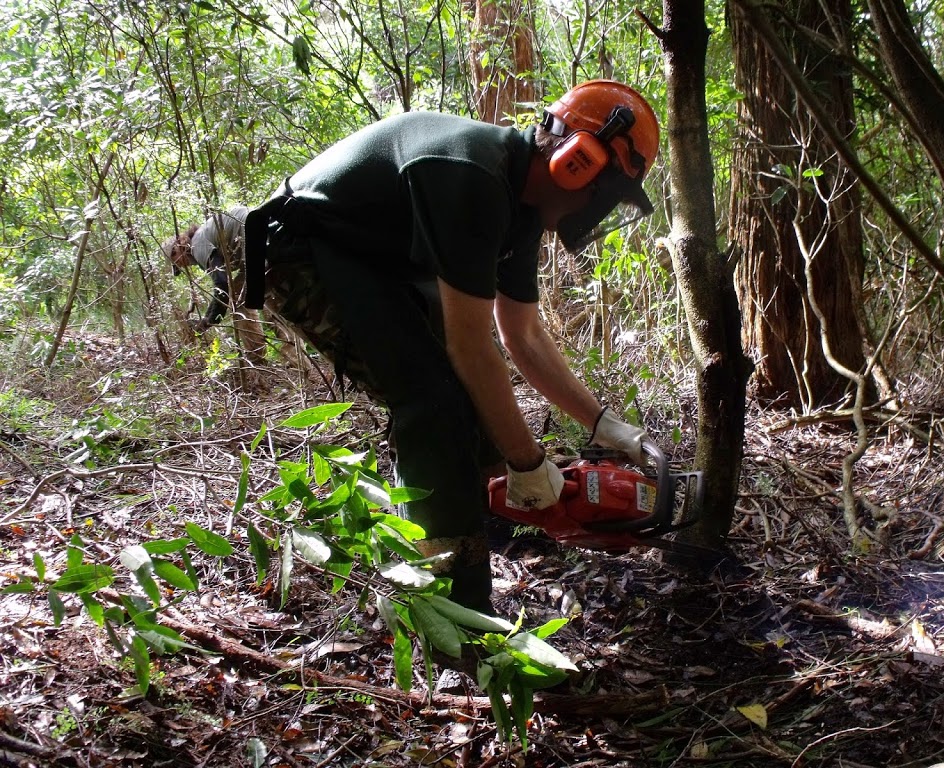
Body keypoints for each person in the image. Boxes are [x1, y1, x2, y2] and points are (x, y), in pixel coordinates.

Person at [244, 80, 661, 613]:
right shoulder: (472, 176)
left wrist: (607, 426)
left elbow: (523, 335)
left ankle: (494, 514)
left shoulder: (524, 204)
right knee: (433, 402)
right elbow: (472, 346)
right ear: (577, 162)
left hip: (379, 254)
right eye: (606, 195)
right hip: (307, 244)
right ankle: (451, 602)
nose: (598, 211)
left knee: (467, 399)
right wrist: (529, 461)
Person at [161, 206, 250, 333]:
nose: (181, 266)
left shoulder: (197, 246)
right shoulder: (200, 240)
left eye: (176, 261)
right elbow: (222, 286)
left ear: (178, 247)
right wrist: (206, 318)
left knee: (238, 297)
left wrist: (210, 321)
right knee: (242, 291)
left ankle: (254, 351)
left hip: (249, 229)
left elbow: (222, 284)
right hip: (251, 229)